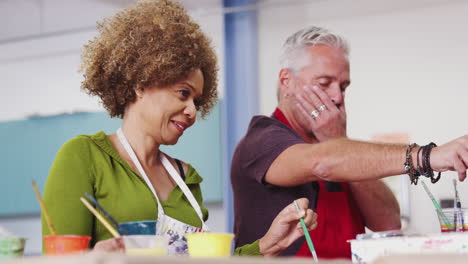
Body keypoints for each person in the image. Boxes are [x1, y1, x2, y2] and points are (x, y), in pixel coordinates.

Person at [42, 0, 318, 256]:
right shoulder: (84, 157)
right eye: (183, 93)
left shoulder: (185, 178)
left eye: (197, 100)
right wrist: (95, 258)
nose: (192, 111)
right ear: (142, 82)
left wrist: (268, 244)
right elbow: (57, 259)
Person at [231, 26, 468, 259]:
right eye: (324, 83)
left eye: (343, 87)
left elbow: (389, 223)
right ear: (286, 81)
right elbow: (322, 163)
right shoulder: (262, 139)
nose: (337, 97)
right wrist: (427, 156)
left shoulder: (339, 149)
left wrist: (339, 141)